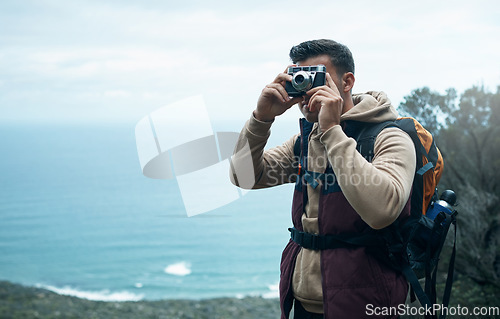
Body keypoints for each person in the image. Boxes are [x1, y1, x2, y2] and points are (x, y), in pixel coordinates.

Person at [230, 39, 416, 319]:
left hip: (367, 304)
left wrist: (331, 129)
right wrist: (261, 118)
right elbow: (244, 177)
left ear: (347, 82)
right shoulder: (306, 142)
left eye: (316, 78)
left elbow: (382, 211)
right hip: (305, 303)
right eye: (299, 80)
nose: (306, 92)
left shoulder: (390, 137)